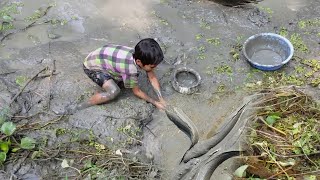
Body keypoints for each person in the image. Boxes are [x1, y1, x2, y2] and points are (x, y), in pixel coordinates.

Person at [62, 38, 166, 114]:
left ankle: (113, 76)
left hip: (100, 57)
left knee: (126, 81)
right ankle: (79, 107)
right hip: (91, 67)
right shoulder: (130, 69)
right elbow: (136, 92)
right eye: (152, 66)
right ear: (139, 62)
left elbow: (151, 76)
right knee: (114, 91)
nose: (154, 69)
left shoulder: (138, 53)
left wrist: (161, 98)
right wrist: (155, 103)